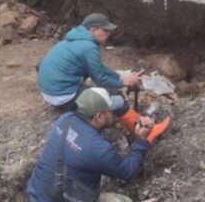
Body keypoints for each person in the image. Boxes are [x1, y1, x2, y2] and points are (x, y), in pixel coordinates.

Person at [36, 13, 169, 139]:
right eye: (105, 31)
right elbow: (100, 79)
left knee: (107, 87)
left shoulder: (72, 39)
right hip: (62, 96)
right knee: (114, 97)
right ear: (93, 30)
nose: (108, 34)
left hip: (48, 91)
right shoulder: (88, 47)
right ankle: (143, 130)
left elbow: (98, 69)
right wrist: (124, 82)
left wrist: (122, 76)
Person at [27, 87, 157, 202]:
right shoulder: (98, 149)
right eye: (110, 110)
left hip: (37, 194)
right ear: (99, 116)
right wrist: (140, 141)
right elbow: (127, 172)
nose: (114, 113)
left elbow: (81, 144)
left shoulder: (65, 119)